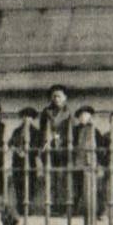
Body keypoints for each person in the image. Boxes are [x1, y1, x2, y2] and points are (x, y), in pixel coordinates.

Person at [39, 85, 72, 214]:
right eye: (54, 96)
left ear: (65, 98)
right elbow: (42, 130)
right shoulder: (46, 112)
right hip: (50, 149)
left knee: (63, 178)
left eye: (59, 96)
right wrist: (46, 140)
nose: (56, 98)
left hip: (63, 150)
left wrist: (60, 137)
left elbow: (71, 132)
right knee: (50, 177)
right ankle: (51, 205)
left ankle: (63, 206)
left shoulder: (68, 113)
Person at [71, 104, 106, 216]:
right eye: (81, 115)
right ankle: (75, 210)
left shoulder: (95, 131)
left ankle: (99, 211)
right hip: (77, 162)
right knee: (77, 188)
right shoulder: (74, 131)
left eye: (86, 115)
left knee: (95, 188)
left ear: (90, 117)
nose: (83, 117)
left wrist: (99, 162)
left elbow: (101, 148)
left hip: (92, 162)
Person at [9, 106, 43, 216]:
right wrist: (17, 150)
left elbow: (39, 147)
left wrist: (28, 152)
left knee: (30, 184)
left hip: (30, 162)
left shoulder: (37, 132)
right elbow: (10, 144)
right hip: (17, 161)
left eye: (30, 117)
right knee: (18, 183)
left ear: (32, 119)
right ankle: (20, 207)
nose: (27, 119)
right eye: (25, 116)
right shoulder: (17, 131)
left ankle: (28, 207)